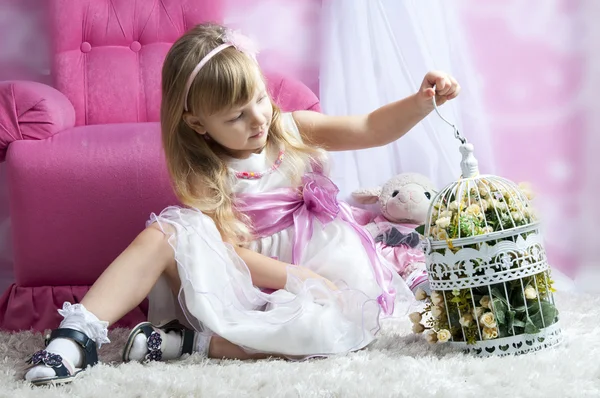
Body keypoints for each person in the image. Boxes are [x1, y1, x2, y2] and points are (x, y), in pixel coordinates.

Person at [23, 23, 460, 386]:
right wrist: (293, 276)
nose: (257, 119)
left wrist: (420, 103)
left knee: (334, 329)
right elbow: (229, 252)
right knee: (167, 231)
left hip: (316, 259)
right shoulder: (207, 171)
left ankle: (180, 345)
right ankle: (75, 337)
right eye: (235, 116)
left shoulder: (292, 128)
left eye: (259, 98)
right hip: (248, 277)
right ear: (198, 124)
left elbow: (368, 127)